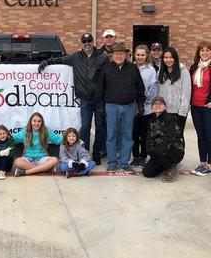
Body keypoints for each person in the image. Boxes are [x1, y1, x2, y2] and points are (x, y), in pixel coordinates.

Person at [38, 33, 107, 165]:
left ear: (93, 42)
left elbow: (109, 75)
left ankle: (97, 153)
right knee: (85, 127)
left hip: (99, 99)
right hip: (85, 99)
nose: (87, 43)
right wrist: (46, 62)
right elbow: (60, 60)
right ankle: (84, 152)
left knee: (100, 127)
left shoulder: (102, 56)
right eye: (84, 41)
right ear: (81, 43)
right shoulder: (76, 57)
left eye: (89, 40)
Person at [96, 42, 145, 173]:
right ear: (112, 55)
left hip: (129, 107)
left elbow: (140, 88)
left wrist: (140, 105)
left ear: (126, 55)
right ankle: (112, 162)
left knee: (127, 136)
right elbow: (100, 88)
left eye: (121, 53)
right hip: (111, 107)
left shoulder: (133, 69)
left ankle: (124, 162)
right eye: (116, 53)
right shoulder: (106, 68)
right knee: (111, 135)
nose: (119, 56)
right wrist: (101, 106)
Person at [142, 96, 184, 182]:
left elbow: (169, 138)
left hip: (174, 150)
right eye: (155, 104)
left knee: (158, 152)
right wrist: (149, 151)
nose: (157, 105)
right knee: (147, 173)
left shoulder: (171, 119)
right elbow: (149, 138)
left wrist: (156, 151)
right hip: (159, 151)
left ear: (165, 106)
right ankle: (165, 166)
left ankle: (172, 167)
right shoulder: (151, 121)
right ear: (152, 107)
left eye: (160, 103)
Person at [131, 45, 158, 169]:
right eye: (138, 55)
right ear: (134, 55)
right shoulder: (130, 68)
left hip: (146, 109)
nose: (140, 57)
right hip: (132, 108)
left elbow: (153, 89)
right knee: (134, 135)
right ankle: (135, 157)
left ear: (147, 56)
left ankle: (143, 157)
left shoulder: (150, 70)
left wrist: (143, 102)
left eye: (142, 55)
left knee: (144, 135)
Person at [158, 46, 191, 143]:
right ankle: (166, 158)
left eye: (171, 57)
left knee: (177, 138)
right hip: (164, 112)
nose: (168, 60)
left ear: (175, 58)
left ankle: (177, 158)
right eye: (166, 57)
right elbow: (159, 93)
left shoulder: (183, 72)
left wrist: (182, 114)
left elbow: (186, 94)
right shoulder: (161, 73)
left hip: (178, 112)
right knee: (165, 138)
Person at [13, 112, 61, 176]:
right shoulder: (25, 131)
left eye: (39, 121)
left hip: (42, 158)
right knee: (17, 162)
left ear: (42, 122)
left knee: (54, 160)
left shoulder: (46, 131)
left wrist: (70, 139)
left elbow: (58, 139)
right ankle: (46, 169)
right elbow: (14, 139)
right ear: (31, 122)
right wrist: (3, 138)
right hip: (28, 158)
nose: (36, 123)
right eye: (34, 121)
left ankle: (26, 172)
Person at [189, 41, 211, 176]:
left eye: (207, 50)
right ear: (198, 53)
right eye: (202, 50)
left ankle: (209, 165)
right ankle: (202, 163)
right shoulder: (194, 67)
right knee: (200, 136)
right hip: (195, 106)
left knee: (209, 136)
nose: (204, 53)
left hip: (207, 106)